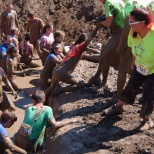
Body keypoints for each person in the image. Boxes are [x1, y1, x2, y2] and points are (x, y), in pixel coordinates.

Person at [103, 8, 154, 131]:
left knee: (148, 92)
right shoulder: (133, 31)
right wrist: (133, 62)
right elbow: (134, 48)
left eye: (132, 22)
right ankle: (119, 107)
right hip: (140, 65)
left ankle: (147, 119)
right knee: (131, 86)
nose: (129, 24)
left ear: (142, 23)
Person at [45, 25, 100, 103]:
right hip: (61, 73)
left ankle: (41, 101)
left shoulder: (74, 48)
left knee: (51, 88)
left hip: (56, 70)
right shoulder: (81, 47)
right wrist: (97, 27)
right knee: (80, 84)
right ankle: (61, 90)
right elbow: (91, 37)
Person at [15, 90, 79, 152]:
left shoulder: (28, 109)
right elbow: (54, 125)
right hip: (30, 145)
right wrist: (71, 120)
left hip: (18, 141)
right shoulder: (47, 109)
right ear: (44, 99)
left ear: (33, 100)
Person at [87, 0, 125, 90]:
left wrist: (100, 23)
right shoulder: (118, 1)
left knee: (104, 56)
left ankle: (103, 83)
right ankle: (97, 77)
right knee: (103, 53)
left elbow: (108, 23)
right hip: (122, 31)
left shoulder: (108, 3)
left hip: (121, 33)